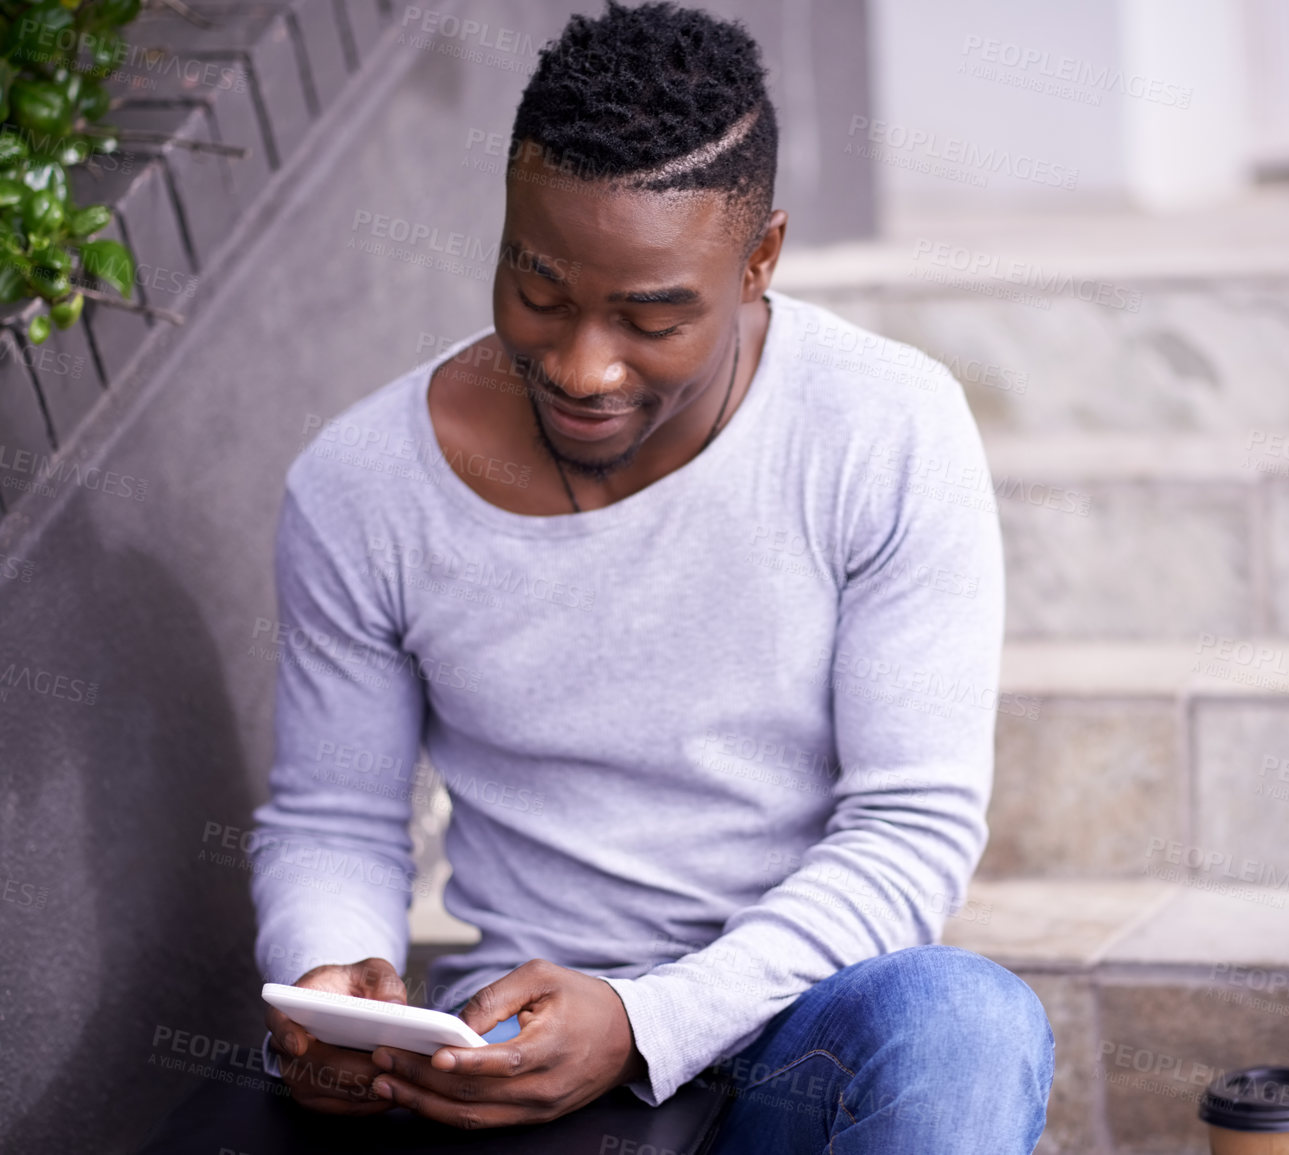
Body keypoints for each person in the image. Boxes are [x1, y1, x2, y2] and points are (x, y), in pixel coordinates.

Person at [242, 2, 1052, 1151]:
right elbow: (334, 818)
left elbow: (909, 831)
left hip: (791, 1028)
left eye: (651, 317)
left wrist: (644, 1019)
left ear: (761, 257)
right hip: (507, 1044)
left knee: (965, 1022)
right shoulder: (361, 485)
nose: (581, 365)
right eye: (539, 292)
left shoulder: (884, 426)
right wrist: (334, 979)